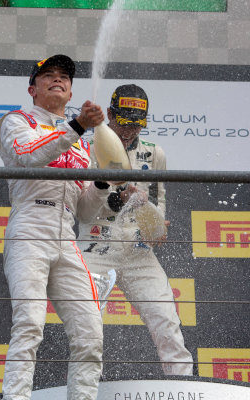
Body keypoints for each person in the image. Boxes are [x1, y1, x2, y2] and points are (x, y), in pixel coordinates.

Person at [0, 54, 110, 400]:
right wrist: (76, 126)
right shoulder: (17, 121)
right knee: (29, 325)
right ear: (33, 88)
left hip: (66, 234)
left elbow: (85, 211)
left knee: (90, 334)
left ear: (71, 91)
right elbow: (30, 155)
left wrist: (104, 186)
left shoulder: (83, 144)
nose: (58, 79)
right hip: (30, 226)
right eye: (48, 75)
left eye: (65, 77)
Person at [77, 84, 194, 376]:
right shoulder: (87, 149)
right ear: (111, 115)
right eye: (123, 123)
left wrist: (156, 224)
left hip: (138, 252)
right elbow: (82, 211)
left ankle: (182, 384)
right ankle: (87, 387)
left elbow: (158, 203)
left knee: (166, 320)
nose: (129, 131)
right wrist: (116, 199)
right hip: (95, 247)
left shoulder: (155, 155)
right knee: (87, 325)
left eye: (137, 124)